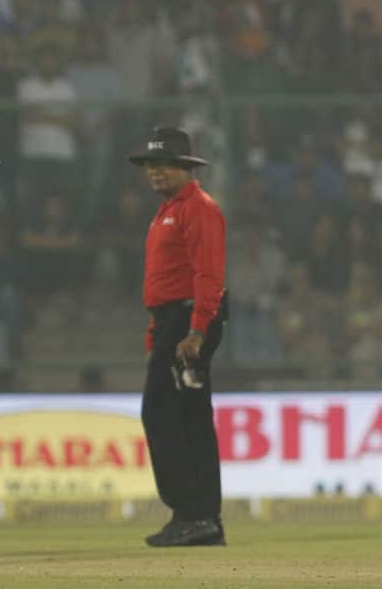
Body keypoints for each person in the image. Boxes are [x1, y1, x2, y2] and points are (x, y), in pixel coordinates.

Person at [128, 126, 228, 547]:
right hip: (175, 319)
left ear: (185, 168)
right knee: (189, 418)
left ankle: (192, 513)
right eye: (150, 165)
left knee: (163, 414)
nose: (155, 172)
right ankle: (201, 518)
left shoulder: (197, 208)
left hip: (189, 318)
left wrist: (197, 330)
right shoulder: (171, 208)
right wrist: (162, 330)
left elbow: (208, 274)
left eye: (164, 165)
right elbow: (170, 280)